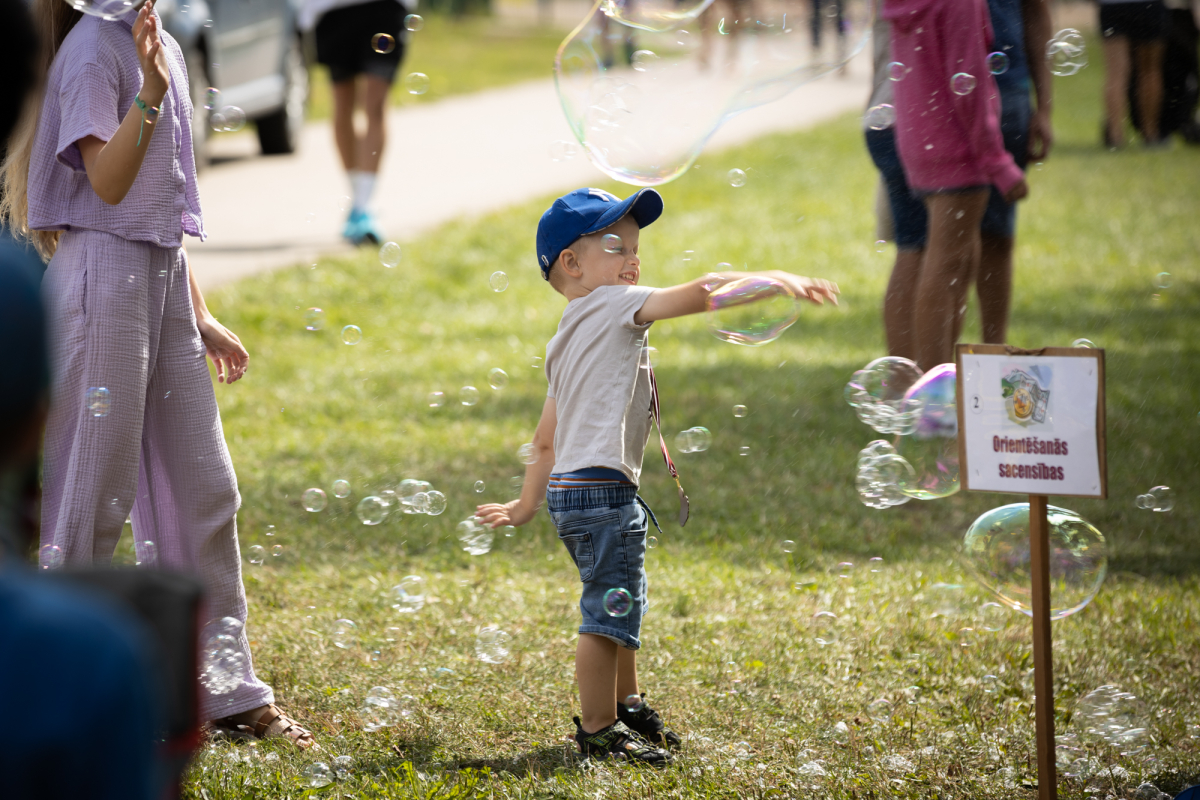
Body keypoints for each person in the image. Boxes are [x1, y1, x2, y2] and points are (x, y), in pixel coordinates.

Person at [0, 0, 314, 748]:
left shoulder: (158, 41)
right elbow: (108, 186)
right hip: (100, 283)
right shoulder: (92, 50)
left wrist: (197, 314)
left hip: (157, 276)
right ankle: (36, 676)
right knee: (90, 493)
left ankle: (224, 688)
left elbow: (157, 208)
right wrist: (148, 91)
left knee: (205, 486)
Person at [474, 187, 838, 763]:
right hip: (601, 492)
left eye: (637, 248)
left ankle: (629, 704)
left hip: (574, 492)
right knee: (605, 609)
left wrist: (524, 505)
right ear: (572, 263)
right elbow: (703, 291)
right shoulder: (613, 304)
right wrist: (774, 277)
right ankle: (597, 727)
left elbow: (545, 437)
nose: (633, 259)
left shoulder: (565, 335)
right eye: (616, 246)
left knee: (621, 597)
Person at [866, 0, 1052, 359]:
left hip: (921, 142)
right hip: (958, 148)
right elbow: (970, 84)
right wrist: (997, 161)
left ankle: (935, 384)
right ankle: (934, 390)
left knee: (945, 262)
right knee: (947, 268)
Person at [300, 0, 417, 245]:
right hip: (333, 11)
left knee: (375, 105)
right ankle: (357, 203)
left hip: (387, 8)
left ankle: (364, 206)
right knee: (343, 106)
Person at [1100, 0, 1171, 146]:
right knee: (1150, 70)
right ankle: (1151, 134)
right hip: (1148, 4)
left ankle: (1115, 136)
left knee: (1116, 73)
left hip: (1112, 5)